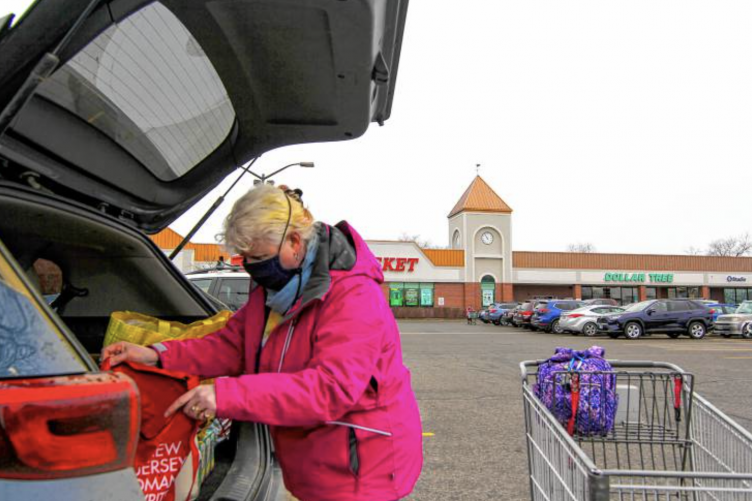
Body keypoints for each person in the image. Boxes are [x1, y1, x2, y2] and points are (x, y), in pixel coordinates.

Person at [102, 184, 423, 501]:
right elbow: (231, 345)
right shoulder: (275, 288)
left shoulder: (353, 296)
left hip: (361, 466)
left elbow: (330, 389)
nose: (253, 268)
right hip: (311, 457)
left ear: (295, 242)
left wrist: (225, 394)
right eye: (245, 258)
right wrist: (155, 355)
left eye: (258, 256)